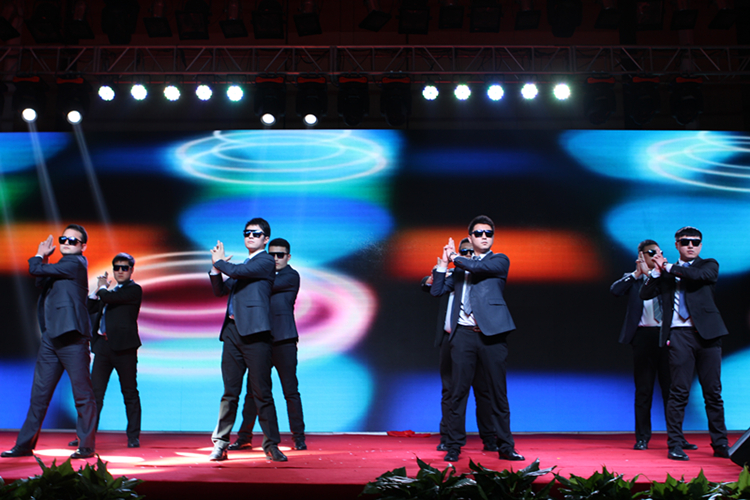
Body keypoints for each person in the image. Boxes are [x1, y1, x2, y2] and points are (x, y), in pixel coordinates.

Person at [430, 215, 522, 463]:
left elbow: (479, 268)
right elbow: (437, 290)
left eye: (488, 233)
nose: (484, 237)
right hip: (463, 335)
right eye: (479, 233)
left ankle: (506, 446)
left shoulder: (499, 260)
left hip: (492, 336)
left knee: (497, 393)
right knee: (457, 392)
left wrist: (455, 257)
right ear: (470, 237)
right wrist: (443, 265)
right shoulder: (460, 269)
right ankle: (453, 446)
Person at [2, 225, 97, 460]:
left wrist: (39, 255)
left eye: (73, 241)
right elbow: (40, 280)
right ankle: (24, 445)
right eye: (64, 239)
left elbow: (35, 269)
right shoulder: (61, 267)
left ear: (83, 246)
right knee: (39, 396)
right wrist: (45, 259)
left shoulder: (76, 263)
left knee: (82, 395)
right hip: (51, 339)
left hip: (72, 338)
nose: (66, 243)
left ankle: (86, 446)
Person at [640, 226, 730, 461]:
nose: (691, 245)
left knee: (713, 392)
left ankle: (720, 443)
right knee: (678, 391)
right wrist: (657, 272)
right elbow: (645, 294)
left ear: (700, 246)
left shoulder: (708, 265)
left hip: (708, 335)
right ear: (677, 245)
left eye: (695, 242)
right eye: (685, 241)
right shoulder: (665, 272)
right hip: (680, 335)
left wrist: (668, 267)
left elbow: (699, 277)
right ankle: (675, 444)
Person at [208, 218, 287, 462]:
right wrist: (215, 270)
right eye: (247, 233)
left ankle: (271, 445)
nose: (250, 236)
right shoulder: (244, 265)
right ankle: (220, 443)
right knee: (229, 392)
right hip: (232, 332)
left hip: (256, 333)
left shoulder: (265, 261)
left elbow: (237, 272)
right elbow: (221, 290)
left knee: (262, 391)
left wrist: (220, 262)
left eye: (256, 233)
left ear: (265, 239)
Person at [610, 240, 699, 452]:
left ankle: (676, 438)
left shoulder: (668, 277)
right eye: (651, 253)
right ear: (641, 256)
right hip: (643, 336)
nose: (656, 256)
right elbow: (615, 290)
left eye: (659, 252)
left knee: (672, 389)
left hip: (668, 335)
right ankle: (642, 437)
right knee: (644, 389)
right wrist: (636, 274)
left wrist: (663, 271)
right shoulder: (633, 278)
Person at [229, 238, 307, 452]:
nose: (275, 259)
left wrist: (246, 273)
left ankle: (299, 437)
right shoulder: (261, 276)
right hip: (260, 340)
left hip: (284, 340)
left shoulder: (291, 275)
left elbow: (262, 285)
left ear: (288, 257)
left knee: (290, 391)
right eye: (271, 255)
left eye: (280, 255)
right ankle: (244, 437)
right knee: (253, 392)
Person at [422, 238, 498, 453]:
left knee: (484, 391)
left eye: (471, 253)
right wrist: (439, 270)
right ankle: (448, 437)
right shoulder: (451, 274)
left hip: (479, 338)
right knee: (450, 389)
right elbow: (428, 285)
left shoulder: (486, 274)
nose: (467, 256)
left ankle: (489, 438)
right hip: (451, 338)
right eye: (463, 252)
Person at [76, 253, 143, 449]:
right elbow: (90, 306)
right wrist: (98, 288)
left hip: (125, 349)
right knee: (95, 394)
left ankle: (133, 436)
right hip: (103, 348)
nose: (120, 271)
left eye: (124, 268)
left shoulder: (134, 290)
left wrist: (103, 288)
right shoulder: (109, 292)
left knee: (129, 393)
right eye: (117, 268)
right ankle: (86, 436)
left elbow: (109, 298)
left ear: (131, 270)